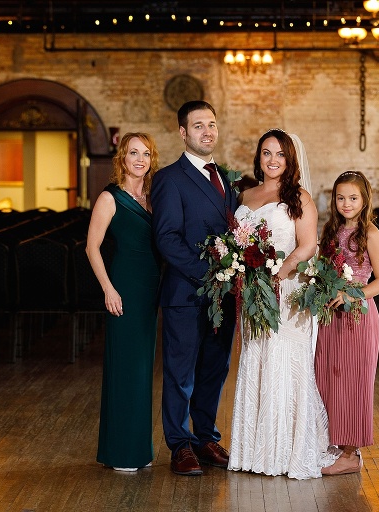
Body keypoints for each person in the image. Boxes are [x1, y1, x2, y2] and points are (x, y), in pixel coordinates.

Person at [227, 129, 338, 480]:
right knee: (255, 358)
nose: (272, 160)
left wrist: (277, 274)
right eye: (266, 153)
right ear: (258, 158)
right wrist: (242, 272)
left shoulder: (298, 196)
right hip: (252, 291)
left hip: (286, 291)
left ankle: (286, 450)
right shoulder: (245, 194)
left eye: (280, 154)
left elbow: (307, 245)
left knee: (284, 361)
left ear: (290, 160)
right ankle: (254, 450)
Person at [151, 100, 238, 476]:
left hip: (225, 297)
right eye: (199, 126)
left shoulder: (226, 180)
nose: (208, 132)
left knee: (214, 371)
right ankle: (180, 445)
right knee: (181, 372)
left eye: (212, 125)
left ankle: (205, 438)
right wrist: (210, 273)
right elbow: (167, 238)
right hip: (187, 293)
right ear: (183, 133)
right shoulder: (169, 178)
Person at [85, 132, 162, 472]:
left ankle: (138, 450)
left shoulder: (153, 198)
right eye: (133, 152)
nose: (140, 159)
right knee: (126, 367)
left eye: (146, 153)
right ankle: (122, 453)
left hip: (150, 287)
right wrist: (108, 289)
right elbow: (92, 247)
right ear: (122, 157)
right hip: (124, 287)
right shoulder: (109, 197)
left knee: (143, 369)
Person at [315, 170, 379, 475]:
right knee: (326, 377)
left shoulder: (370, 233)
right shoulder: (329, 231)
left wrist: (352, 296)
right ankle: (334, 441)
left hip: (358, 318)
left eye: (353, 198)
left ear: (364, 200)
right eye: (341, 197)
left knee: (354, 384)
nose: (346, 203)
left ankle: (351, 453)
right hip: (330, 316)